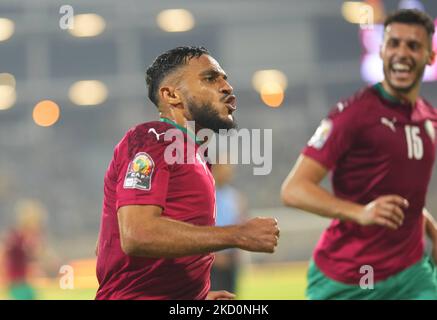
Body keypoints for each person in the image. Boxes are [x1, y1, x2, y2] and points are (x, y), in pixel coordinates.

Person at [95, 46, 280, 300]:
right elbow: (136, 234)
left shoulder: (193, 155)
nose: (227, 87)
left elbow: (107, 245)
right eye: (210, 78)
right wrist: (238, 234)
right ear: (171, 95)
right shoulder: (151, 139)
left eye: (225, 78)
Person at [281, 9, 437, 300]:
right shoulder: (353, 115)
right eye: (394, 43)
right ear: (381, 50)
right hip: (350, 277)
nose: (402, 52)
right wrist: (360, 212)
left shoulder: (430, 118)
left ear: (430, 56)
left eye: (413, 46)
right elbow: (293, 190)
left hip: (411, 274)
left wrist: (428, 224)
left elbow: (406, 191)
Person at [210, 163, 246, 293]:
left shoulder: (235, 197)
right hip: (212, 259)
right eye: (223, 168)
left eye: (229, 169)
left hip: (231, 259)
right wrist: (213, 256)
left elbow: (241, 223)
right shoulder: (206, 194)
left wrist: (238, 253)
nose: (227, 172)